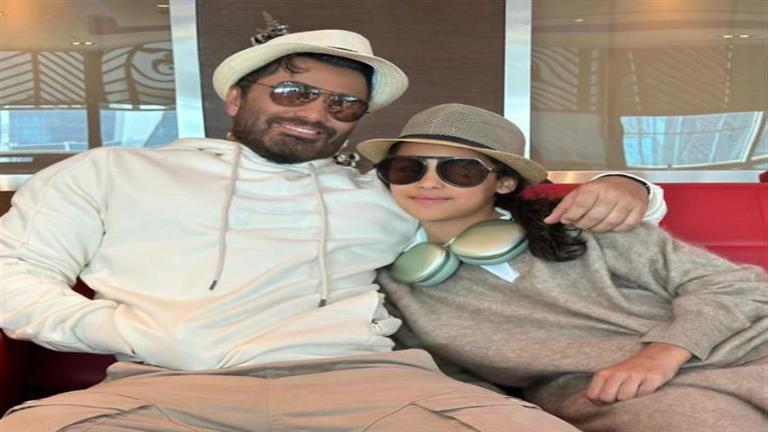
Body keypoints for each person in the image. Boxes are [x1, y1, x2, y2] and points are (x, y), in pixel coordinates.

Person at [1, 25, 663, 430]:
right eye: (294, 92)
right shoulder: (112, 172)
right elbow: (15, 271)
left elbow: (519, 211)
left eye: (344, 104)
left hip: (375, 386)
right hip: (167, 387)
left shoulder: (386, 190)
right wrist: (126, 331)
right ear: (235, 97)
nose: (318, 113)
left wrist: (631, 187)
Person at [358, 103, 768, 432]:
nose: (429, 183)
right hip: (621, 396)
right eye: (408, 169)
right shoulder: (390, 288)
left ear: (504, 182)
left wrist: (665, 352)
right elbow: (453, 383)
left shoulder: (583, 225)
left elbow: (739, 286)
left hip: (743, 350)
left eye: (459, 170)